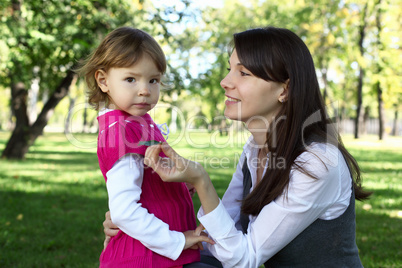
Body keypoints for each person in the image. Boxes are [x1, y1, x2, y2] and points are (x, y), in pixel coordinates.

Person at [104, 26, 372, 267]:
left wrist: (202, 182)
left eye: (243, 72)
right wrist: (138, 232)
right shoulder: (254, 149)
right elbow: (222, 237)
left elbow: (244, 257)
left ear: (284, 90)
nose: (225, 81)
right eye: (230, 69)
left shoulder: (317, 161)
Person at [78, 27, 214, 268]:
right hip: (144, 259)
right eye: (131, 79)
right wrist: (177, 239)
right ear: (103, 81)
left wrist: (180, 186)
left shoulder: (138, 123)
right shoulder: (121, 132)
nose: (145, 90)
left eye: (153, 80)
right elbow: (125, 211)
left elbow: (147, 182)